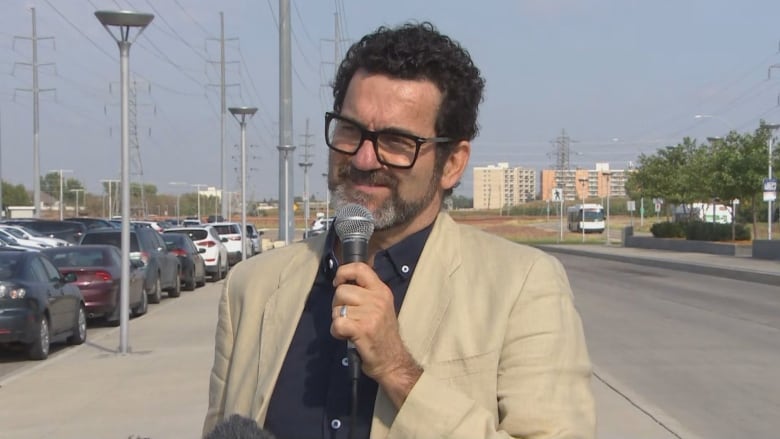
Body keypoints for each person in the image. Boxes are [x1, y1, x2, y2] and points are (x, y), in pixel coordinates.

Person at [203, 21, 595, 439]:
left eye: (396, 140)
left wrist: (398, 370)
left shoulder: (523, 288)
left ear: (452, 163)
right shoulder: (252, 288)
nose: (364, 158)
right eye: (351, 130)